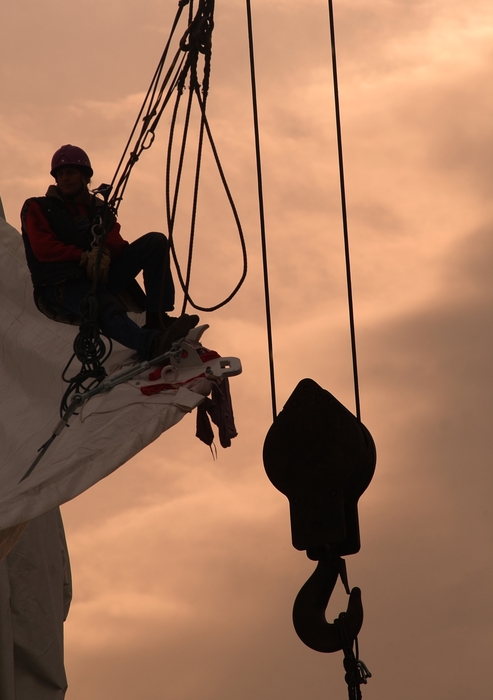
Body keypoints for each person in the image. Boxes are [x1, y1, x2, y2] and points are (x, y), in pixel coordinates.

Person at [21, 144, 198, 360]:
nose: (64, 178)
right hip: (62, 285)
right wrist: (83, 257)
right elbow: (43, 248)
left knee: (155, 242)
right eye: (60, 174)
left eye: (70, 172)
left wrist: (105, 251)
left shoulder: (99, 210)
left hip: (97, 275)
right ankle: (151, 344)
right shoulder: (38, 207)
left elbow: (115, 238)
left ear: (85, 177)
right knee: (100, 303)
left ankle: (157, 317)